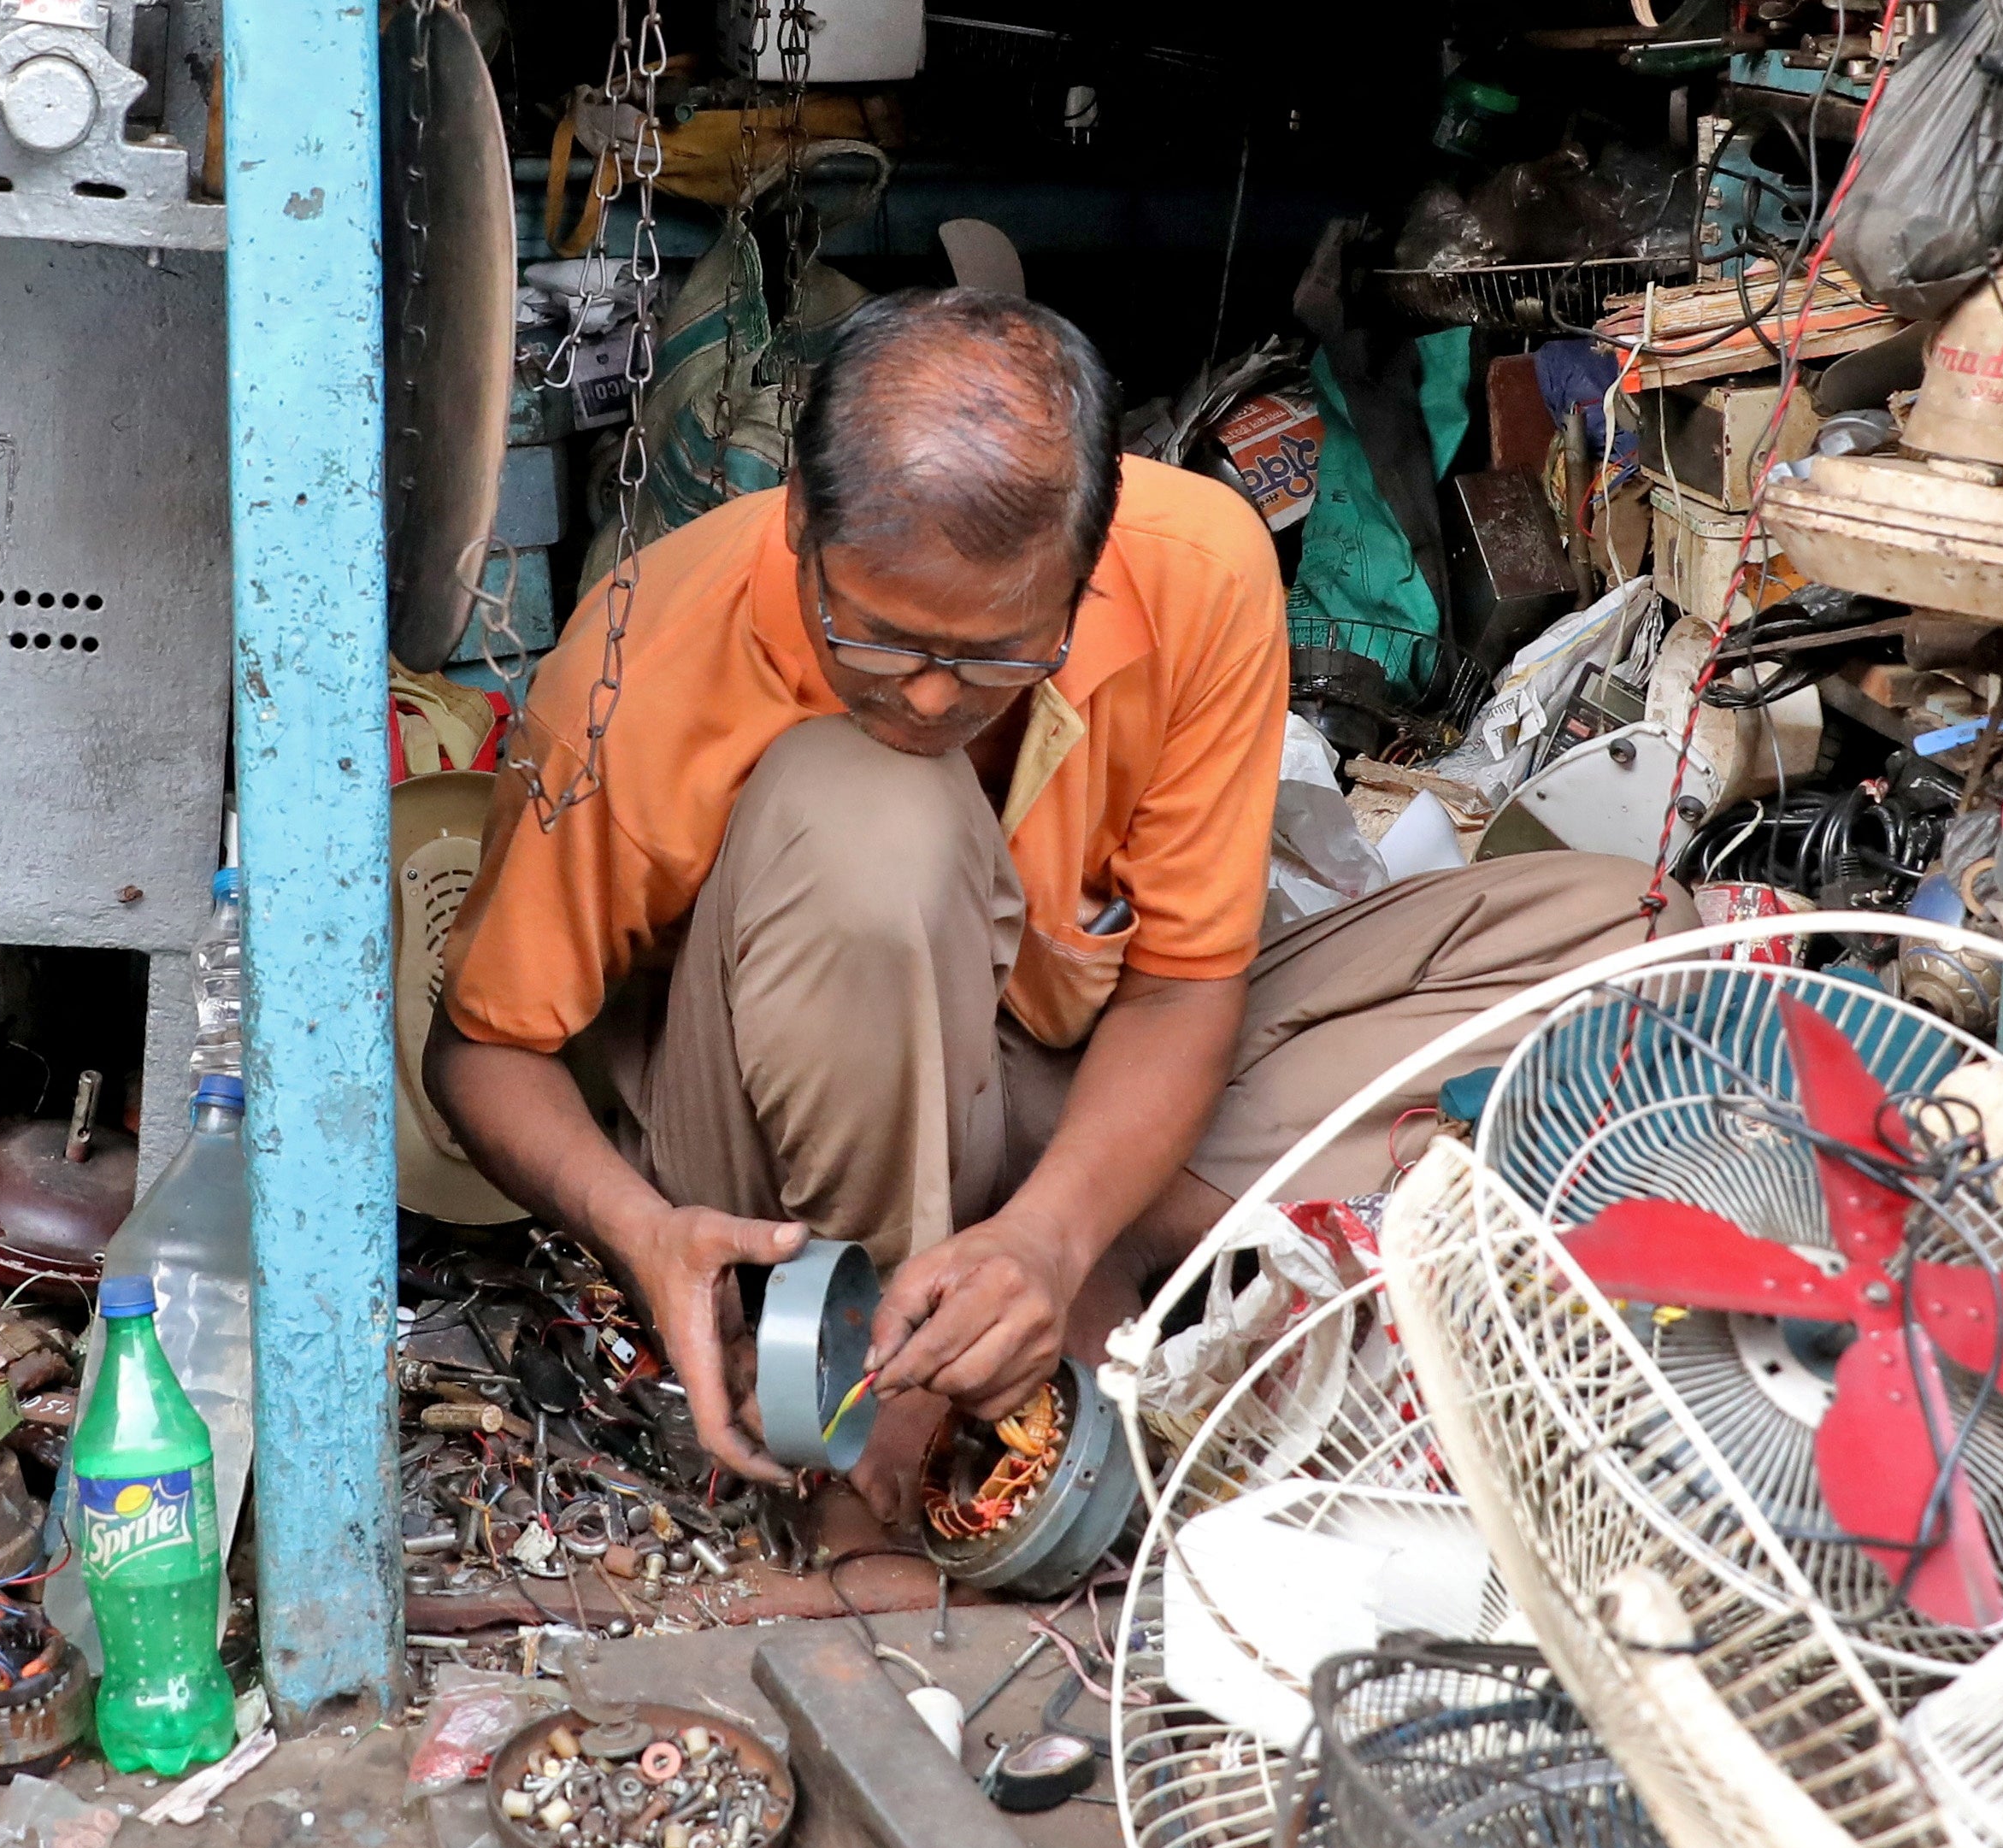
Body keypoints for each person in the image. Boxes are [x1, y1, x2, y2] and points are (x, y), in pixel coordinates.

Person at [422, 289, 1658, 1514]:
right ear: (800, 518)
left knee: (1629, 936)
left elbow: (1180, 987)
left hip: (1055, 1102)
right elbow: (480, 1053)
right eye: (879, 638)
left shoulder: (1196, 569)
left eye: (995, 656)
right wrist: (644, 1235)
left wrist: (1061, 1234)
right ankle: (880, 1399)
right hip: (784, 1164)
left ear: (1084, 570)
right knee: (871, 803)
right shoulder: (650, 651)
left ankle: (1076, 1262)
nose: (925, 695)